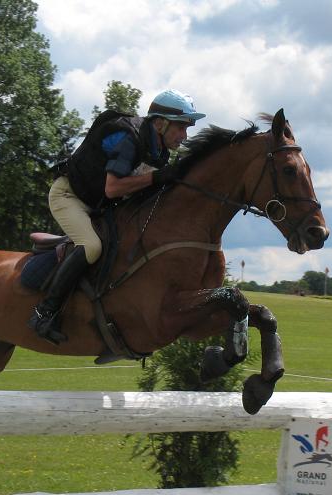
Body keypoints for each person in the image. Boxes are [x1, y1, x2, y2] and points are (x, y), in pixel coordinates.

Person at [28, 89, 206, 345]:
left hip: (100, 206)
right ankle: (44, 312)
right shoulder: (130, 139)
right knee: (91, 246)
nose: (184, 136)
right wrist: (156, 178)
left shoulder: (160, 152)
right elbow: (112, 188)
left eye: (186, 129)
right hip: (69, 197)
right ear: (159, 123)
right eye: (180, 128)